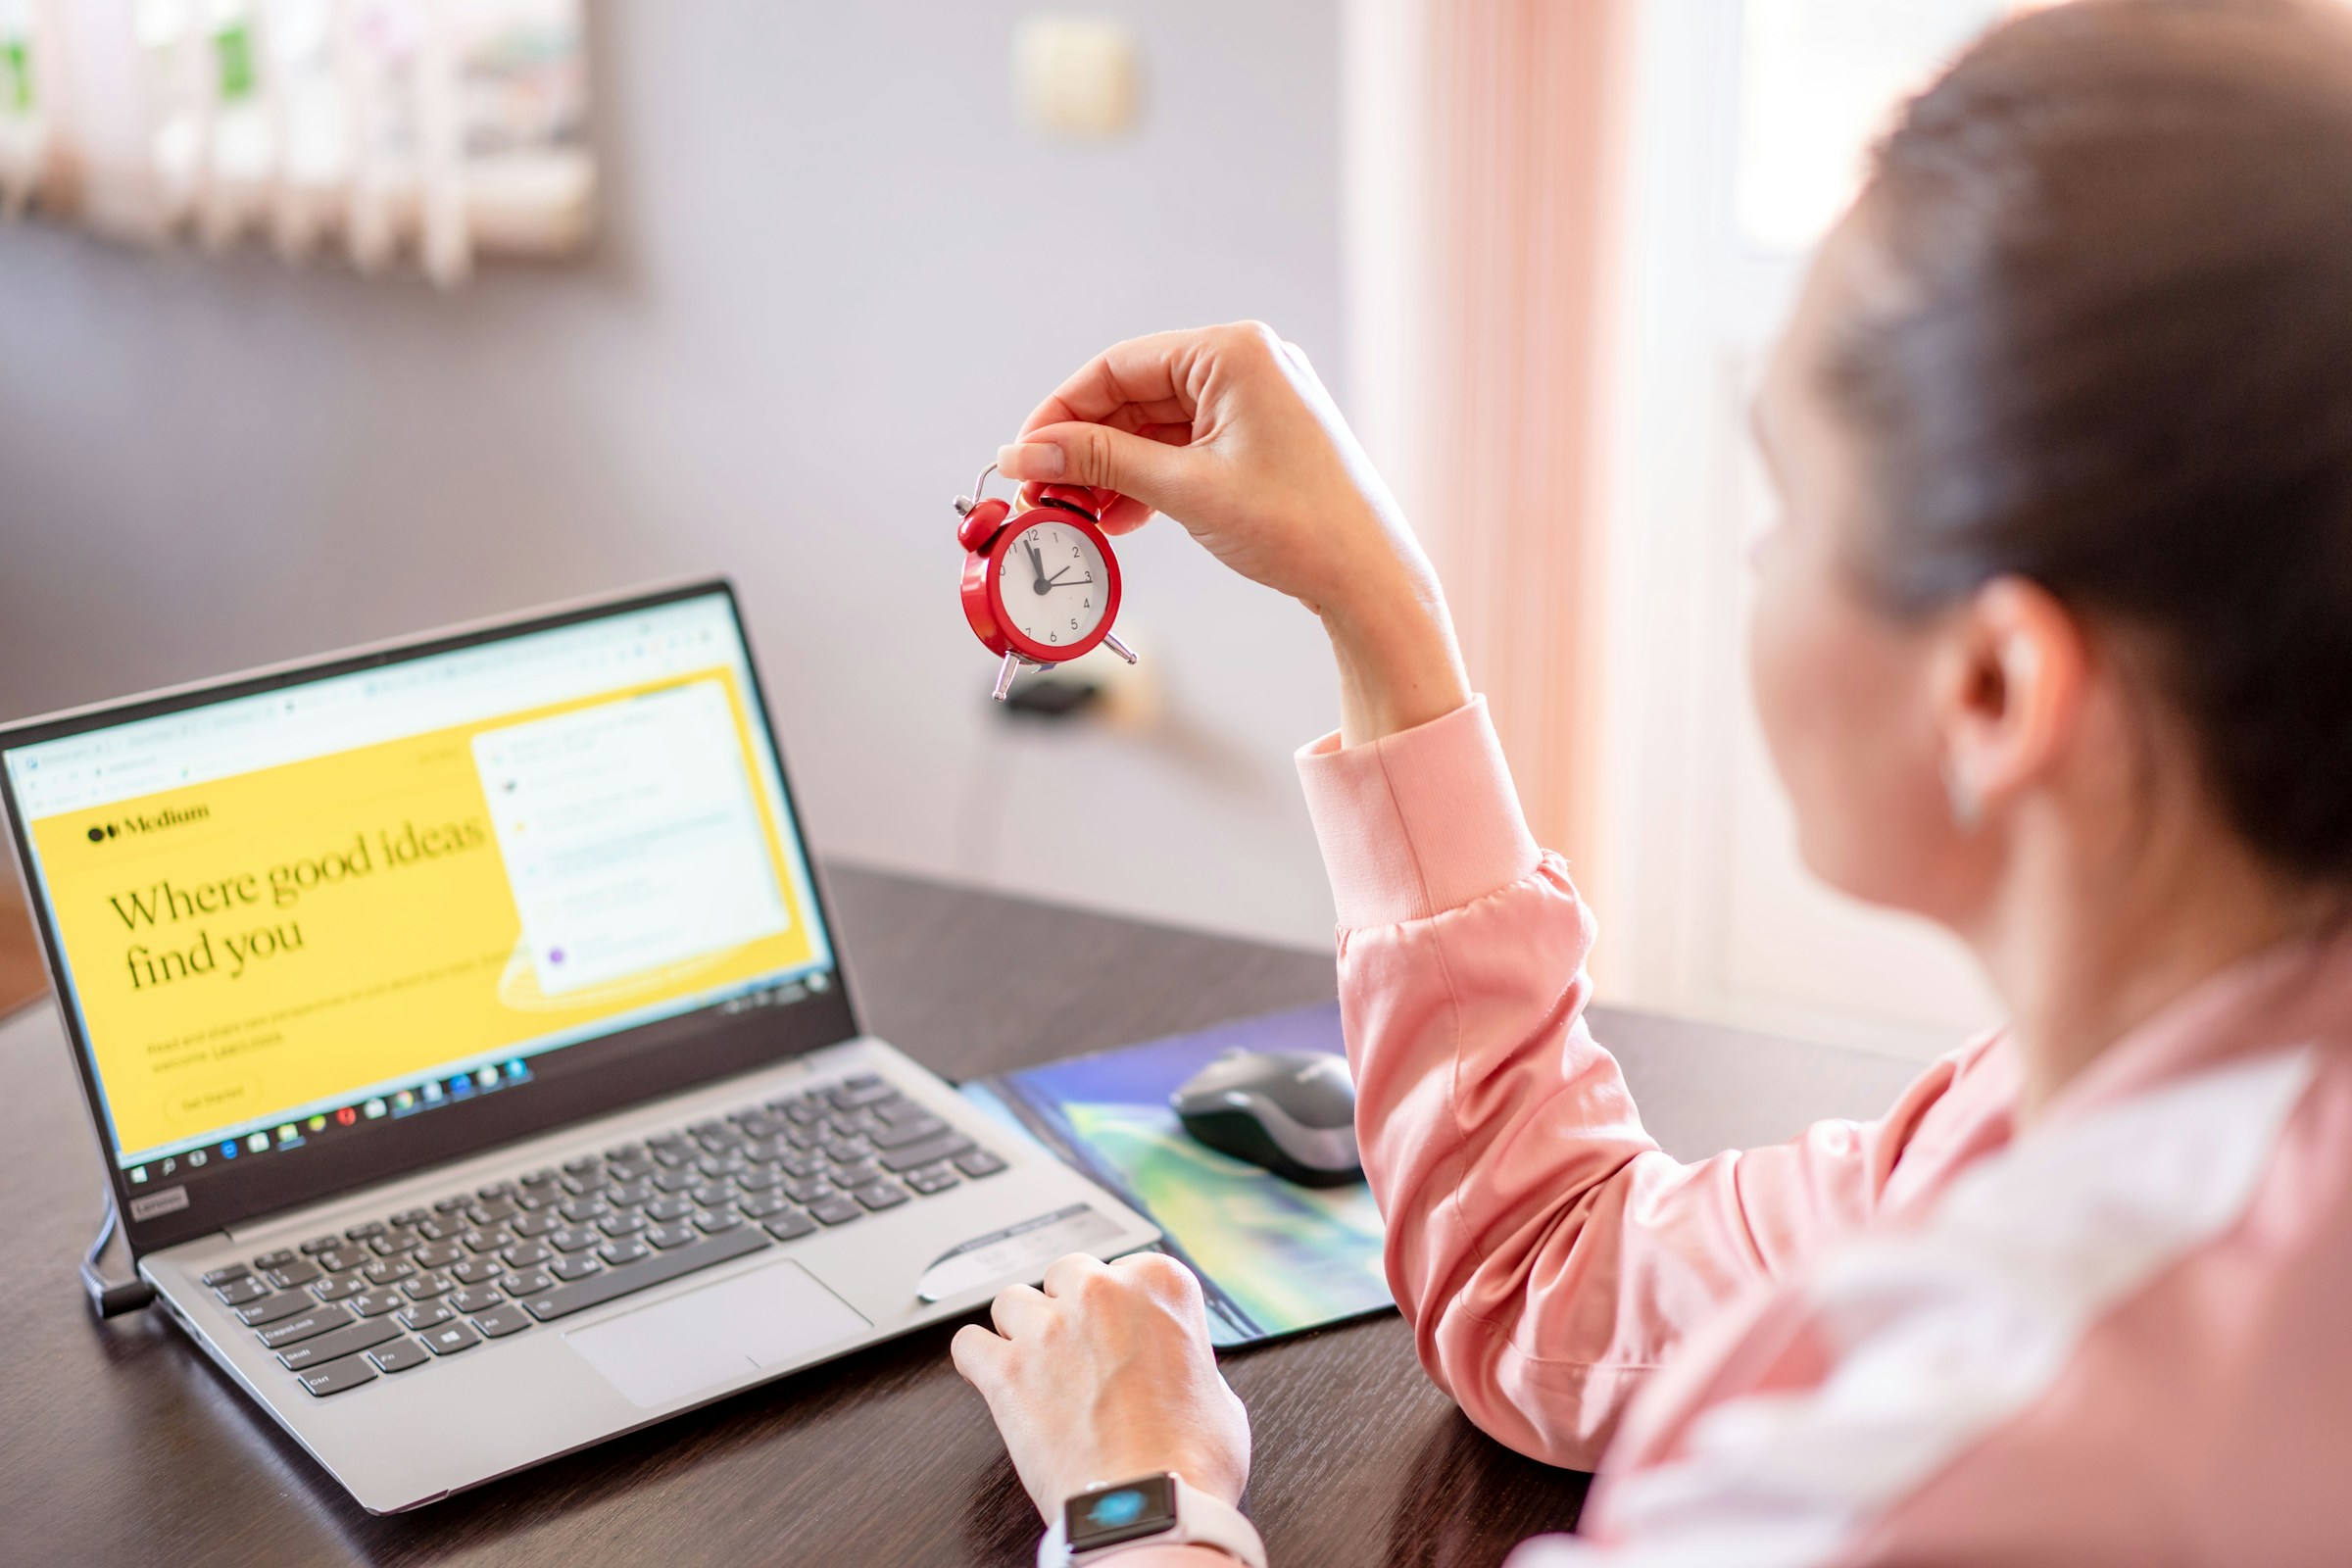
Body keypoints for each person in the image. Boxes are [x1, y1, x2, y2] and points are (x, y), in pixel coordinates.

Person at [948, 2, 2352, 1562]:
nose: (1757, 555)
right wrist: (1378, 606)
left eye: (1794, 498)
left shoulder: (1933, 1470)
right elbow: (1558, 1289)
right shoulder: (2123, 1103)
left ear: (1994, 689)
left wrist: (1134, 1491)